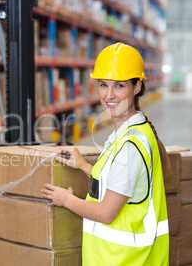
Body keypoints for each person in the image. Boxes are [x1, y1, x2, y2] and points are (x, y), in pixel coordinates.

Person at [41, 43, 170, 265]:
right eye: (103, 85)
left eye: (119, 86)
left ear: (136, 87)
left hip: (123, 259)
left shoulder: (130, 146)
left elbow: (106, 213)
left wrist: (66, 199)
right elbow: (124, 182)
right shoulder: (132, 132)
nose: (109, 95)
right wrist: (84, 166)